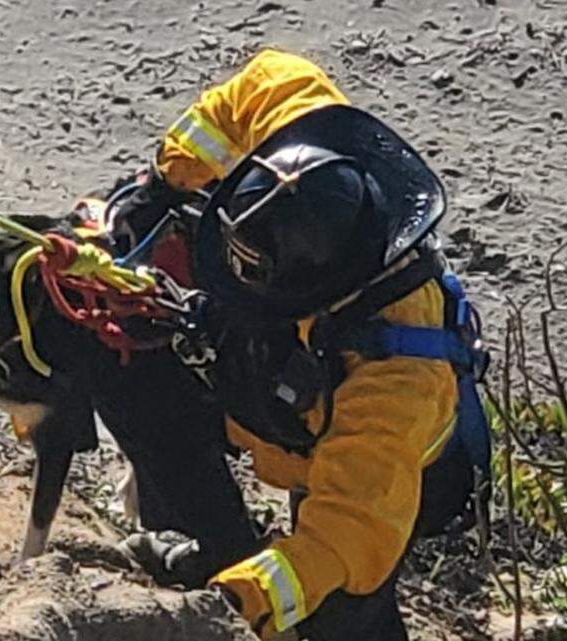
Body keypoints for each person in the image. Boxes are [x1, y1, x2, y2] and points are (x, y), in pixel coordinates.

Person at [111, 49, 494, 641]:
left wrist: (231, 606)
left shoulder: (395, 381)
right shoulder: (307, 146)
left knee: (340, 604)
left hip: (390, 479)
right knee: (141, 382)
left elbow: (337, 538)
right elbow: (262, 82)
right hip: (288, 398)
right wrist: (163, 183)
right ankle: (216, 545)